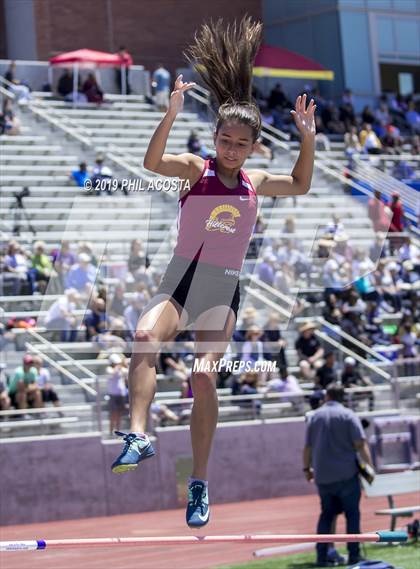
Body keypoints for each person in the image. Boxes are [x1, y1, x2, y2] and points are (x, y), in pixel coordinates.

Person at [110, 16, 316, 529]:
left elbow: (301, 184)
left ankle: (199, 481)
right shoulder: (195, 169)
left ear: (252, 147)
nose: (229, 149)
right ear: (216, 136)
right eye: (224, 139)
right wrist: (170, 114)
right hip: (181, 277)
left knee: (204, 374)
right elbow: (152, 162)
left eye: (239, 144)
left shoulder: (256, 181)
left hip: (221, 286)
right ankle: (138, 433)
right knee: (141, 337)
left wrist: (307, 138)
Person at [303, 383, 375, 567]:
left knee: (326, 515)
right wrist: (369, 466)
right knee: (352, 515)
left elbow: (307, 447)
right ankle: (354, 555)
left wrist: (307, 469)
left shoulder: (315, 416)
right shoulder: (348, 415)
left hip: (323, 476)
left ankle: (322, 556)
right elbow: (360, 443)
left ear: (327, 396)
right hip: (346, 474)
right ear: (343, 397)